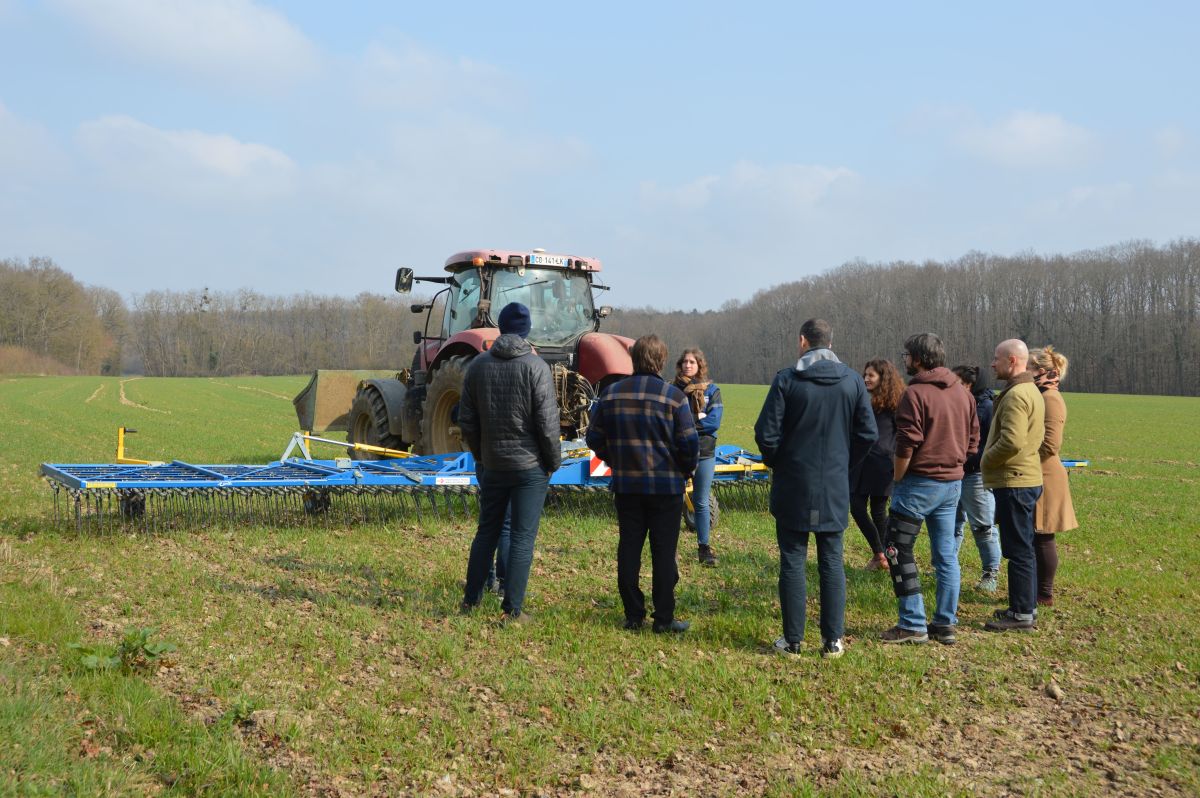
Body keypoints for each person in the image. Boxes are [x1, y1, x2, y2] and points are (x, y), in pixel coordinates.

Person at [754, 319, 877, 658]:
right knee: (832, 561)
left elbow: (766, 434)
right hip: (834, 485)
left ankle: (793, 641)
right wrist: (843, 464)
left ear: (802, 342)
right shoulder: (852, 381)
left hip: (793, 484)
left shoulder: (787, 380)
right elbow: (868, 434)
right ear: (831, 344)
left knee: (793, 560)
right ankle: (833, 640)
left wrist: (781, 462)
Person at [587, 335, 699, 634]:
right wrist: (684, 469)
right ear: (662, 361)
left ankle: (633, 615)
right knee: (664, 554)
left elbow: (593, 437)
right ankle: (663, 618)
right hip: (666, 488)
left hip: (627, 486)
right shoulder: (675, 397)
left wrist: (614, 458)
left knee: (629, 549)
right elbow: (689, 444)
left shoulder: (610, 395)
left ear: (633, 359)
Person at [458, 302, 562, 624]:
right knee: (521, 537)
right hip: (530, 467)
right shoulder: (536, 367)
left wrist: (481, 455)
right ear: (527, 330)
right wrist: (552, 462)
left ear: (500, 328)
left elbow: (468, 421)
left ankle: (471, 601)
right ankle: (512, 610)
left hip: (493, 465)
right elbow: (547, 424)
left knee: (486, 531)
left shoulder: (477, 366)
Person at [879, 333, 979, 646]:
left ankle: (911, 623)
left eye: (907, 355)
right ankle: (945, 623)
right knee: (946, 554)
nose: (904, 360)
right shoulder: (964, 394)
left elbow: (906, 443)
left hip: (919, 484)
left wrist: (898, 477)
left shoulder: (915, 393)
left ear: (918, 359)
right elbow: (974, 441)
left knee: (897, 549)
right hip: (952, 485)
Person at [981, 339, 1045, 632]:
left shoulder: (1017, 395)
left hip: (1015, 481)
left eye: (996, 359)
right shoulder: (1030, 390)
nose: (992, 364)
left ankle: (1021, 615)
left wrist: (985, 460)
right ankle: (1024, 606)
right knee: (1024, 548)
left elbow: (1012, 440)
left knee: (1017, 549)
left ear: (1012, 361)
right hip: (1025, 478)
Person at [1028, 346, 1078, 606]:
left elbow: (1050, 444)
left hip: (1046, 475)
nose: (1026, 372)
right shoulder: (1039, 395)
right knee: (1034, 536)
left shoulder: (1051, 398)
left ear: (1042, 371)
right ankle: (1034, 588)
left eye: (1029, 368)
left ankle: (1044, 593)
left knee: (1043, 536)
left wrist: (1021, 455)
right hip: (1035, 473)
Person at [951, 365, 1002, 593]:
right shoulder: (954, 404)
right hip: (954, 473)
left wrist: (972, 459)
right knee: (952, 525)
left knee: (983, 527)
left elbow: (991, 443)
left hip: (976, 476)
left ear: (969, 385)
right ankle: (947, 567)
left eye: (957, 382)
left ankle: (991, 572)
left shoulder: (988, 407)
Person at [849, 358, 903, 571]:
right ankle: (880, 553)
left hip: (882, 464)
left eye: (871, 375)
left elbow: (901, 434)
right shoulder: (864, 400)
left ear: (884, 377)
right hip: (860, 462)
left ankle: (886, 557)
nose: (866, 379)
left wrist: (894, 458)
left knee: (879, 511)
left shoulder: (896, 403)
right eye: (865, 375)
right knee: (856, 506)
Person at [673, 348, 724, 566]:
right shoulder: (672, 390)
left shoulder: (712, 390)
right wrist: (699, 419)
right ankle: (670, 550)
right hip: (677, 452)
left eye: (692, 362)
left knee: (701, 501)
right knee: (674, 501)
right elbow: (669, 421)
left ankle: (704, 548)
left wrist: (687, 423)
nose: (687, 365)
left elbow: (714, 423)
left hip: (705, 453)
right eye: (684, 361)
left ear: (700, 365)